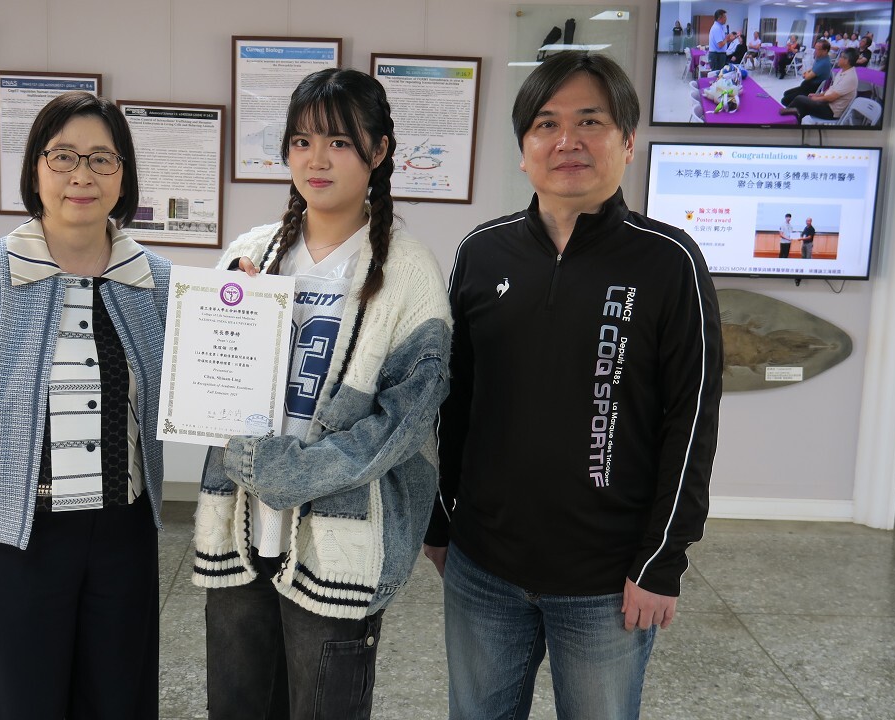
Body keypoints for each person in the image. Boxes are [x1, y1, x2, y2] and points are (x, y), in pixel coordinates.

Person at [424, 51, 722, 720]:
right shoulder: (483, 251)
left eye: (590, 121)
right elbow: (453, 400)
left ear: (628, 142)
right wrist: (441, 521)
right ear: (523, 149)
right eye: (546, 123)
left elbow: (691, 419)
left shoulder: (668, 260)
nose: (567, 141)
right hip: (483, 566)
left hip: (606, 580)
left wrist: (661, 562)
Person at [192, 67, 452, 719]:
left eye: (339, 142)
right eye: (302, 141)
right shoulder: (251, 254)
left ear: (379, 151)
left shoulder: (409, 273)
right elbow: (204, 385)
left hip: (342, 544)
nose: (317, 159)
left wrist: (293, 472)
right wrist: (229, 314)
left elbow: (402, 422)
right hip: (241, 527)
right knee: (237, 705)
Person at [0, 91, 170, 720]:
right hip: (18, 532)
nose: (82, 175)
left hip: (123, 532)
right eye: (63, 157)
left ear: (123, 177)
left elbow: (186, 393)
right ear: (35, 169)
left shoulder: (156, 281)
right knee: (18, 699)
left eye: (102, 159)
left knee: (116, 696)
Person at [780, 47, 859, 122]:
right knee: (801, 107)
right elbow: (832, 88)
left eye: (841, 57)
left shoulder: (849, 78)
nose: (838, 59)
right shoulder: (842, 71)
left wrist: (816, 99)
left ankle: (784, 118)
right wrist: (817, 95)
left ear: (846, 61)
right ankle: (792, 122)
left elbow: (832, 97)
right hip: (827, 104)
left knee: (800, 99)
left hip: (831, 111)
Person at [782, 40, 833, 106]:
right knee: (786, 93)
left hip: (810, 90)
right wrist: (807, 72)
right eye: (815, 48)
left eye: (817, 49)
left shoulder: (824, 63)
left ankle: (796, 110)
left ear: (825, 51)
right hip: (806, 86)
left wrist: (806, 74)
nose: (815, 51)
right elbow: (813, 68)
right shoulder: (821, 58)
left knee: (785, 100)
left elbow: (807, 77)